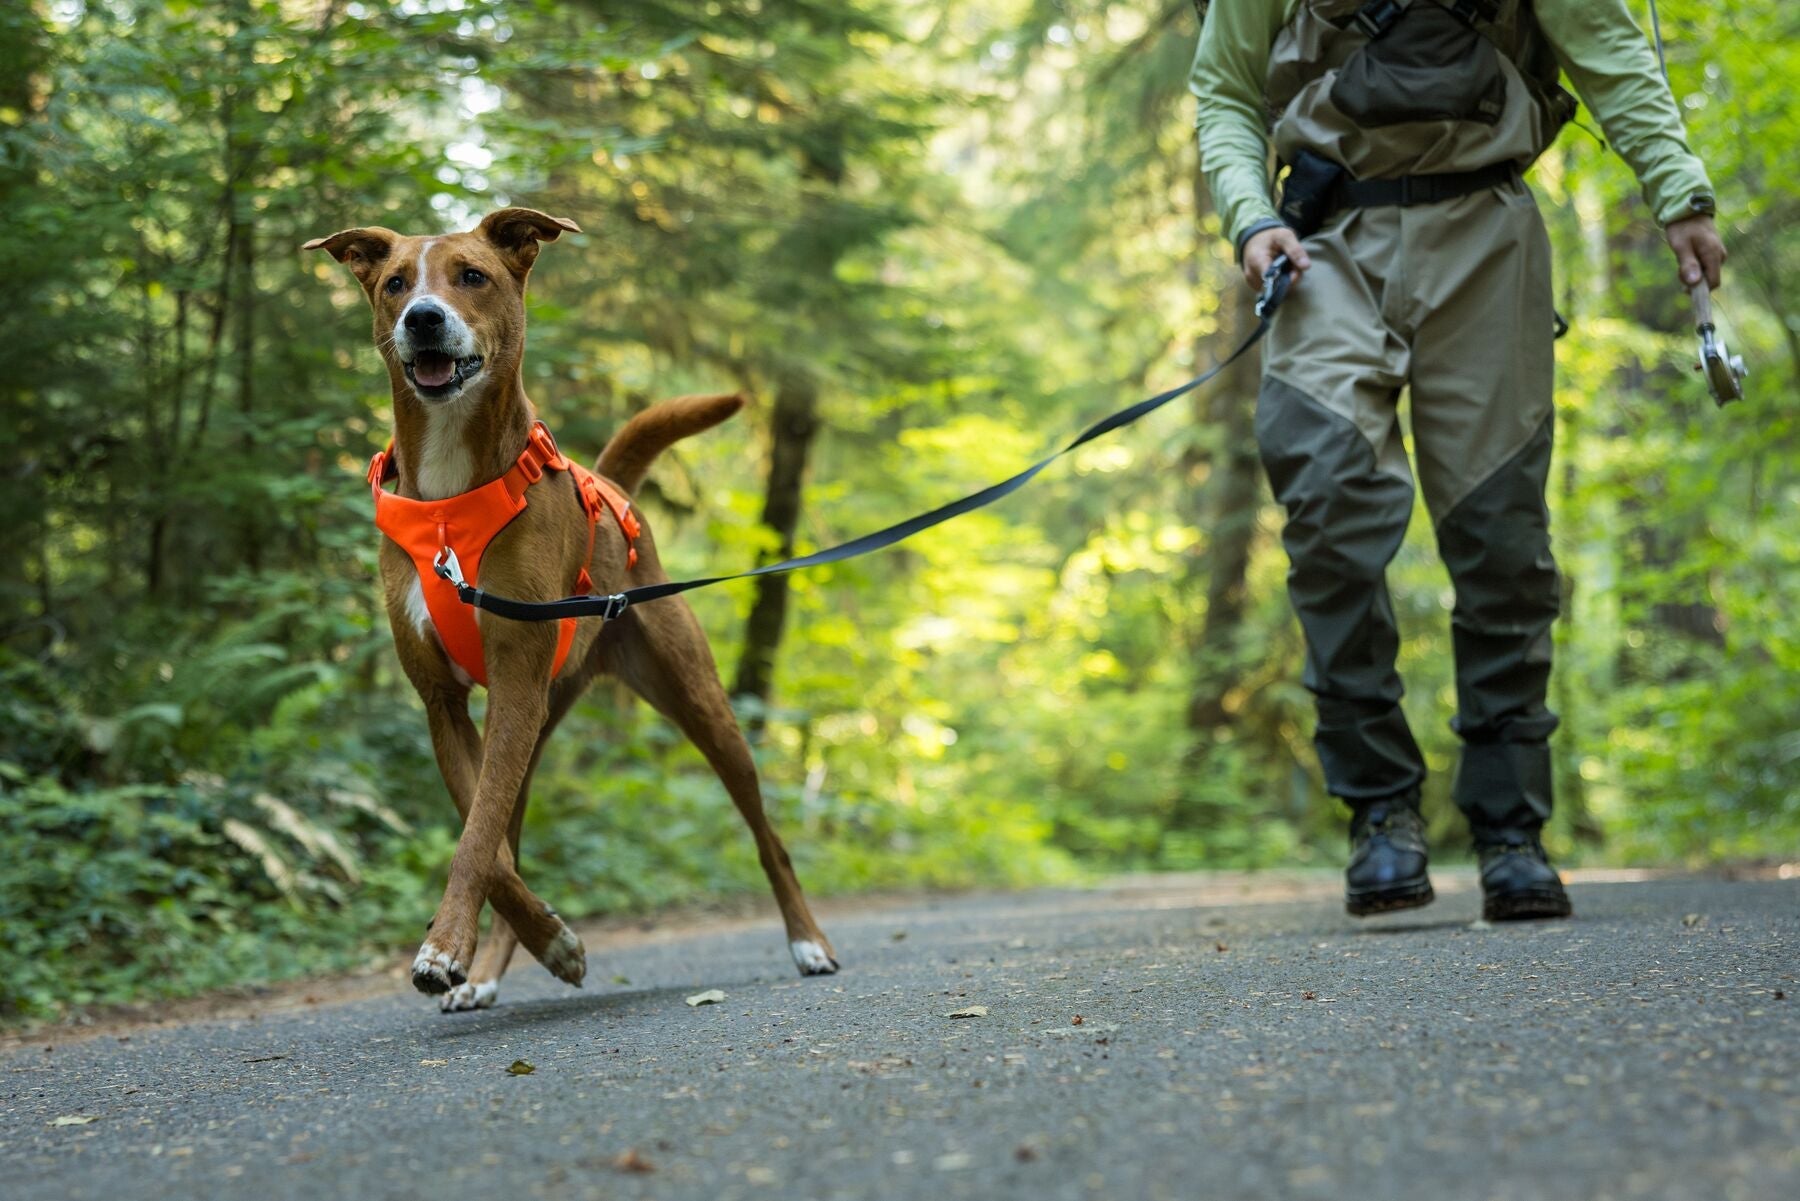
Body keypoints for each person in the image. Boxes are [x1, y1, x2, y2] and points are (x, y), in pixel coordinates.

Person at [1188, 0, 1726, 920]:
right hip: (1323, 242)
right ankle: (1381, 813)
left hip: (1486, 228)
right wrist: (1248, 217)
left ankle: (1511, 829)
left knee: (1501, 539)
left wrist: (1677, 193)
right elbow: (1225, 91)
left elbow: (1609, 54)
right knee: (1324, 502)